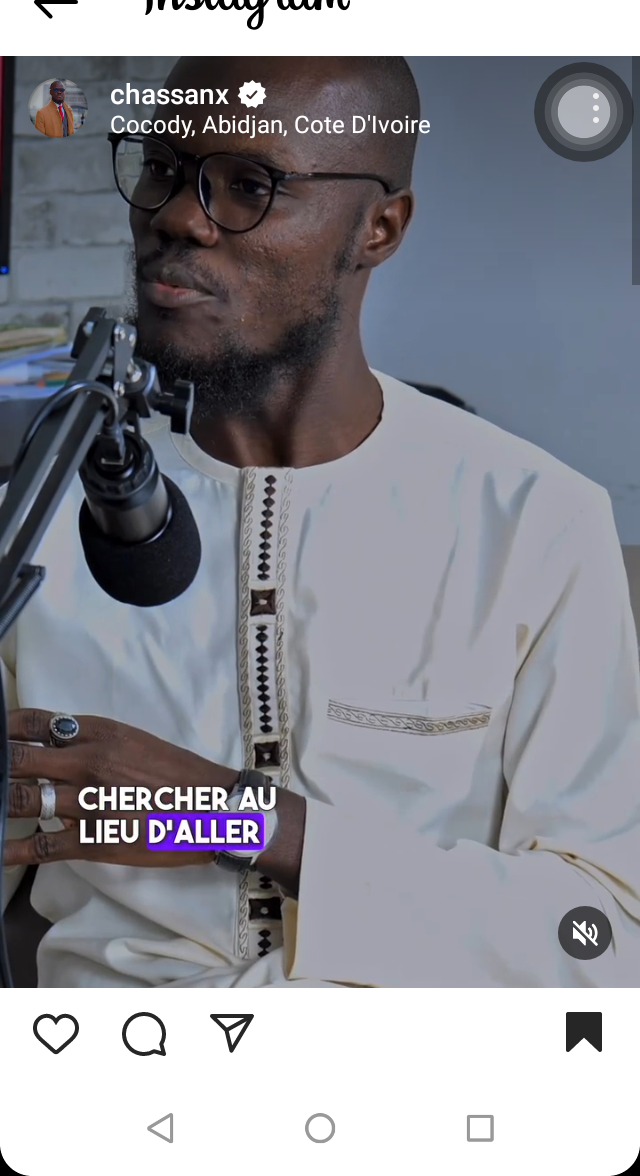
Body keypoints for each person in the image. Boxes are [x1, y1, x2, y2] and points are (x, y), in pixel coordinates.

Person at [2, 55, 640, 988]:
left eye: (249, 185)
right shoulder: (37, 517)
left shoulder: (536, 523)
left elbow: (602, 935)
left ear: (379, 228)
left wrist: (234, 816)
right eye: (164, 169)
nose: (179, 217)